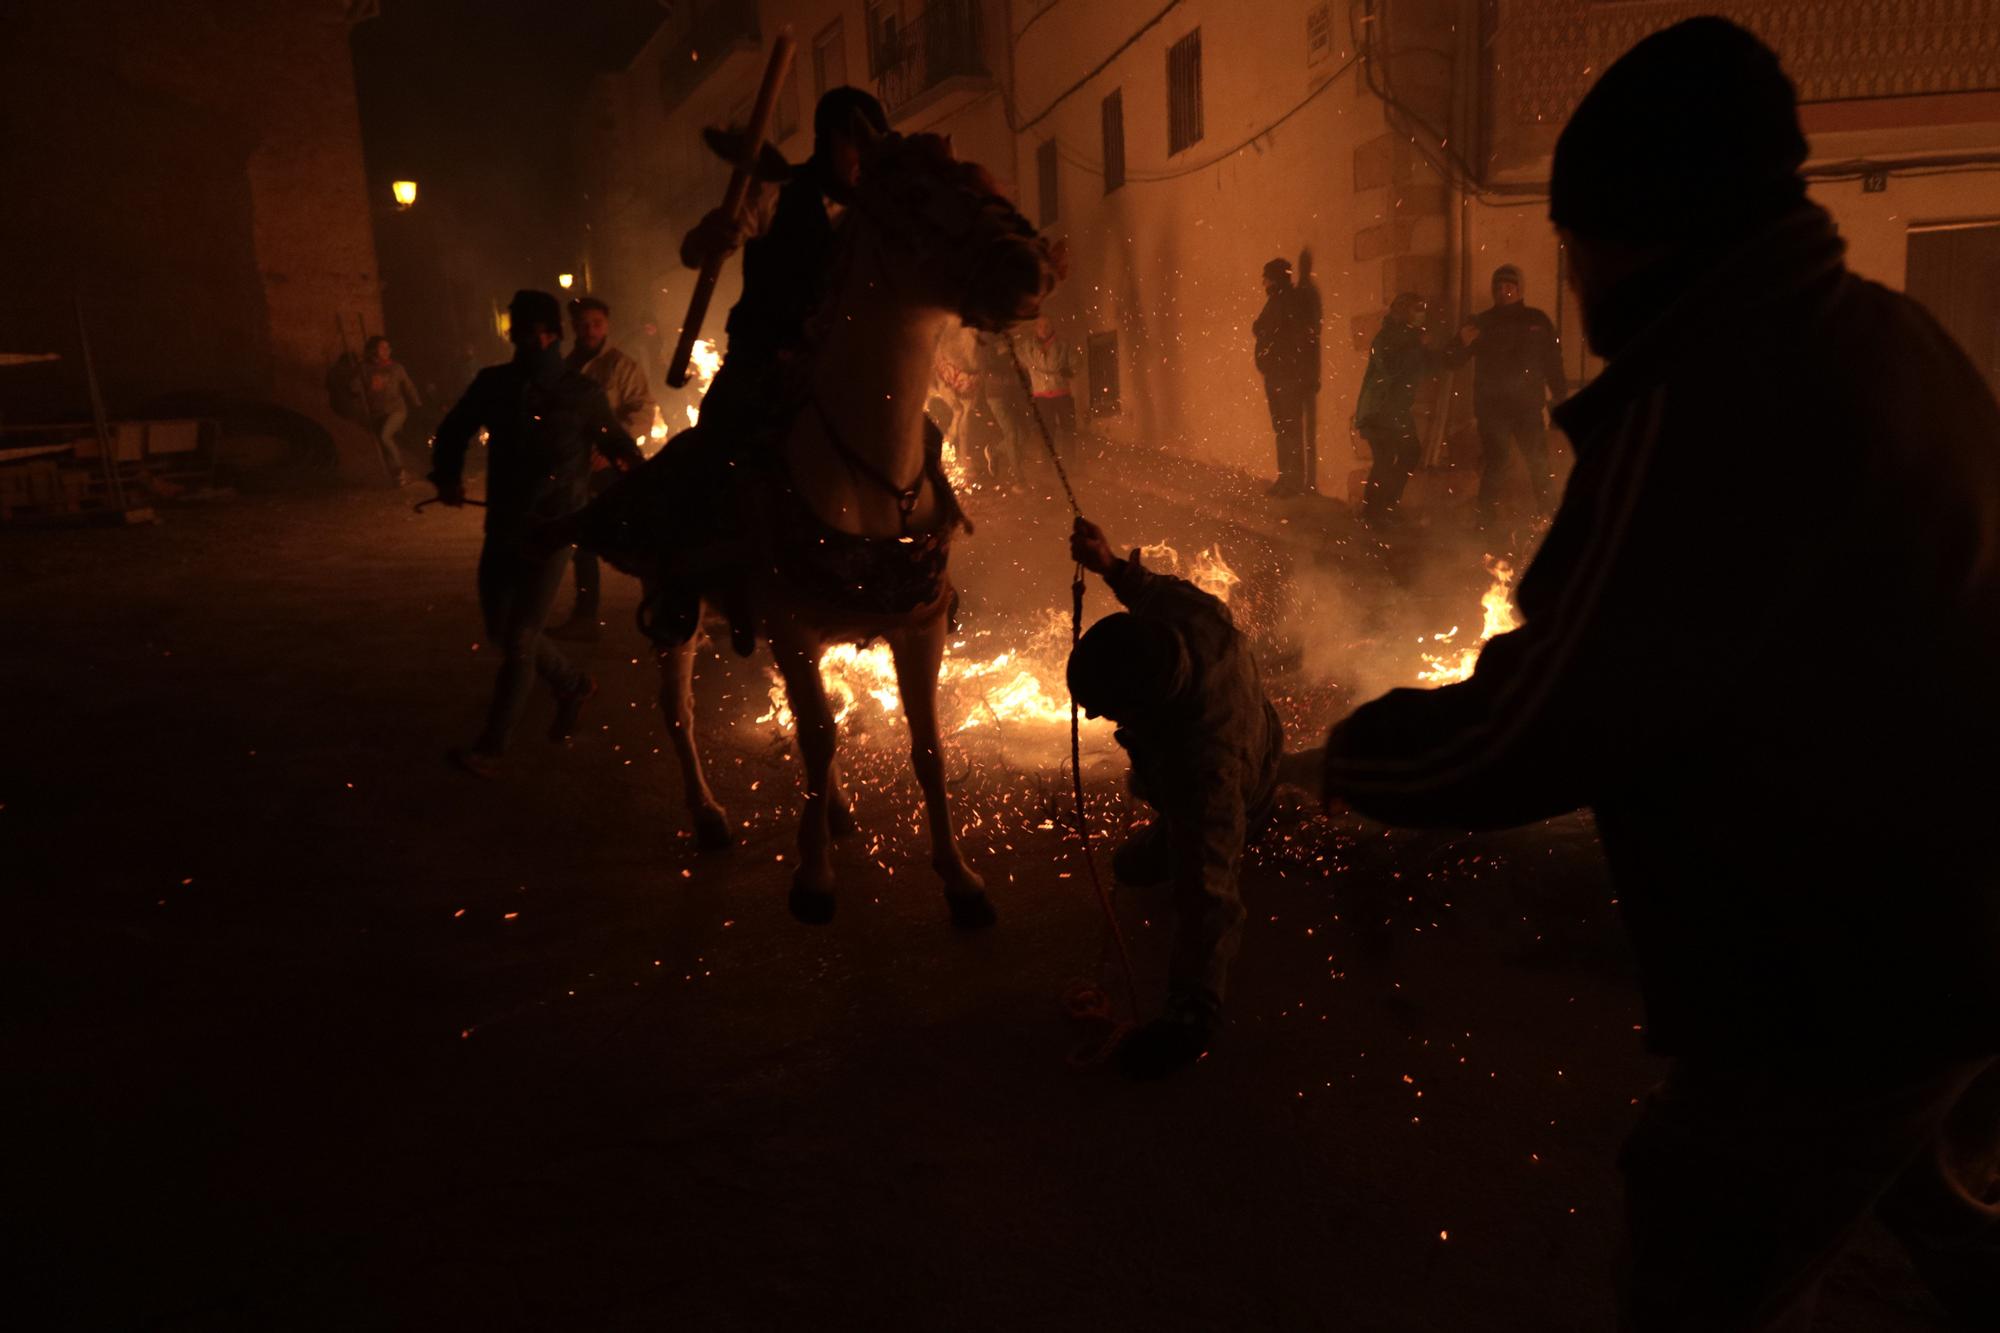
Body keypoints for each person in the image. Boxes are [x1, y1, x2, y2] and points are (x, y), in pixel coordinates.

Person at [1321, 20, 2000, 1330]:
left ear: (1636, 235)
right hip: (1958, 920)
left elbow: (1552, 715)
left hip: (1834, 973)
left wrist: (1352, 753)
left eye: (1578, 248)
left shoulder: (1700, 398)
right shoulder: (1889, 334)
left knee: (1696, 1269)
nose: (1575, 285)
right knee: (1942, 1208)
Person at [1067, 516, 1284, 1080]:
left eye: (1106, 710)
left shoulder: (1202, 772)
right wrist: (1109, 565)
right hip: (1255, 734)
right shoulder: (1192, 619)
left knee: (1161, 867)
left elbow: (1210, 899)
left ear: (1144, 708)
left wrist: (1189, 1017)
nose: (1096, 718)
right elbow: (1153, 593)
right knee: (1136, 863)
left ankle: (1259, 818)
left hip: (1246, 780)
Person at [428, 290, 644, 778]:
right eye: (522, 332)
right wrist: (447, 475)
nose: (531, 340)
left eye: (539, 333)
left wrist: (636, 482)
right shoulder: (495, 384)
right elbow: (455, 428)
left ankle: (492, 747)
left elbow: (621, 446)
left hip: (554, 528)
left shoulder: (582, 394)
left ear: (552, 335)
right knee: (501, 630)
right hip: (503, 521)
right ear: (513, 334)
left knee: (523, 636)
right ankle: (572, 685)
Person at [678, 85, 890, 431]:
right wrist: (710, 236)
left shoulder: (877, 211)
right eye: (855, 144)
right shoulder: (773, 193)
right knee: (715, 448)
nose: (864, 158)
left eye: (871, 147)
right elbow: (695, 252)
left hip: (842, 372)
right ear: (827, 141)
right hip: (762, 369)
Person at [549, 296, 657, 642]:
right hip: (576, 470)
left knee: (637, 537)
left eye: (597, 323)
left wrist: (610, 448)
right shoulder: (563, 368)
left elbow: (642, 410)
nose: (590, 330)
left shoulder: (621, 367)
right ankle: (585, 615)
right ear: (573, 327)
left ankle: (658, 608)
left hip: (612, 468)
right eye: (583, 324)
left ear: (606, 325)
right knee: (583, 544)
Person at [1448, 263, 1567, 525]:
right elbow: (1454, 361)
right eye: (1499, 287)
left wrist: (1560, 395)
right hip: (1493, 409)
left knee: (1538, 462)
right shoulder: (1482, 323)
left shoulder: (1537, 321)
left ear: (1519, 289)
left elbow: (1552, 362)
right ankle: (1486, 519)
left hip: (1527, 408)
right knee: (1497, 459)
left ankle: (1549, 515)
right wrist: (1459, 342)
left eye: (1509, 286)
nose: (1504, 292)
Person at [1353, 292, 1444, 527]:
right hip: (1378, 410)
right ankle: (1374, 513)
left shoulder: (1412, 337)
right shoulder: (1387, 338)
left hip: (1395, 411)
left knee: (1408, 452)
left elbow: (1435, 363)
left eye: (1423, 308)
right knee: (1385, 458)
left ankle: (1385, 508)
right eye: (1417, 309)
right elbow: (1392, 369)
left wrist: (1461, 344)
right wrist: (1418, 345)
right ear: (1404, 312)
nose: (1421, 314)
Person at [1252, 257, 1319, 497]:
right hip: (1278, 375)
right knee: (1283, 428)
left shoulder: (1289, 301)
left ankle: (1291, 483)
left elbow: (1296, 338)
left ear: (1275, 278)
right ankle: (1286, 479)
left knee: (1288, 428)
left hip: (1287, 376)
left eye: (1266, 277)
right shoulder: (1280, 300)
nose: (1263, 282)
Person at [359, 335, 422, 485]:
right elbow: (357, 387)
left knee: (385, 436)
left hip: (396, 410)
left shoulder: (396, 368)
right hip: (378, 412)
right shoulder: (366, 369)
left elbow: (408, 386)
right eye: (383, 348)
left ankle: (401, 470)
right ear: (374, 350)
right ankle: (397, 475)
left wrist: (417, 403)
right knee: (385, 443)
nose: (387, 351)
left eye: (388, 348)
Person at [1016, 315, 1078, 463]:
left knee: (1068, 429)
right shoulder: (1027, 347)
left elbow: (1076, 362)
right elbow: (1017, 356)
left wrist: (1070, 370)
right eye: (1040, 326)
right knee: (1046, 432)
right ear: (1035, 328)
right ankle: (1048, 463)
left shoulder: (1063, 344)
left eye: (1047, 326)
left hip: (1061, 394)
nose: (1043, 330)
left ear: (1052, 327)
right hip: (1041, 396)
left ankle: (1070, 462)